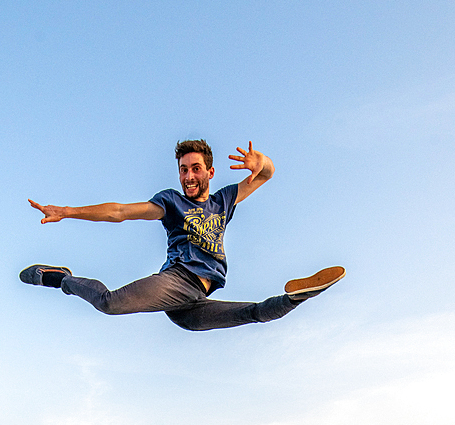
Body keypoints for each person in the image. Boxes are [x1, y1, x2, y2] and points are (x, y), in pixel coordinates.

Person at [20, 139, 344, 332]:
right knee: (109, 303)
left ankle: (302, 294)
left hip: (194, 304)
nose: (189, 176)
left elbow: (268, 173)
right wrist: (68, 211)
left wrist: (263, 162)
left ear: (210, 172)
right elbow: (119, 211)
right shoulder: (171, 202)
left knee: (257, 313)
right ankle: (61, 278)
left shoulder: (224, 200)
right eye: (184, 169)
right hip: (176, 281)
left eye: (195, 168)